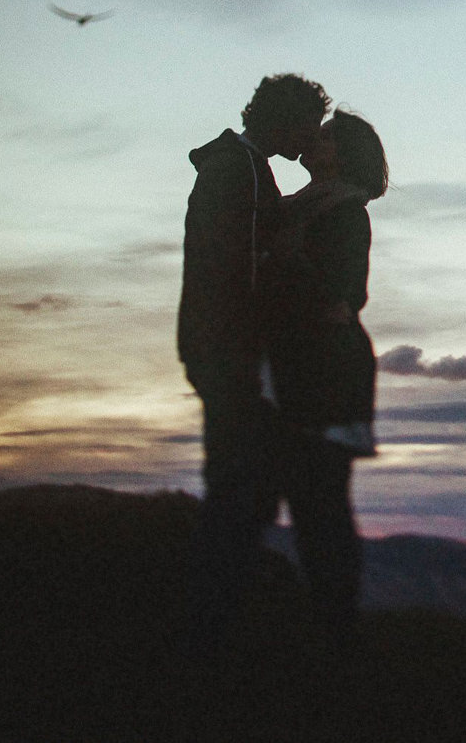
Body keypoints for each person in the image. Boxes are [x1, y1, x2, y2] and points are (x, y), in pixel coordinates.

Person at [178, 73, 330, 657]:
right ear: (284, 120)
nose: (311, 139)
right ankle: (208, 636)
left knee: (244, 491)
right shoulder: (234, 169)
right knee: (237, 493)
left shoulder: (246, 168)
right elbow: (233, 269)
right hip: (230, 353)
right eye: (308, 126)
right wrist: (242, 359)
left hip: (230, 352)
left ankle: (216, 627)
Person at [263, 109, 388, 637]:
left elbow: (345, 294)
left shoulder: (342, 213)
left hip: (327, 367)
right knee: (310, 497)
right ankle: (326, 622)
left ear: (346, 154)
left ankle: (335, 626)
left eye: (328, 136)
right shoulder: (305, 208)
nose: (315, 139)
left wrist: (286, 262)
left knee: (321, 503)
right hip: (304, 361)